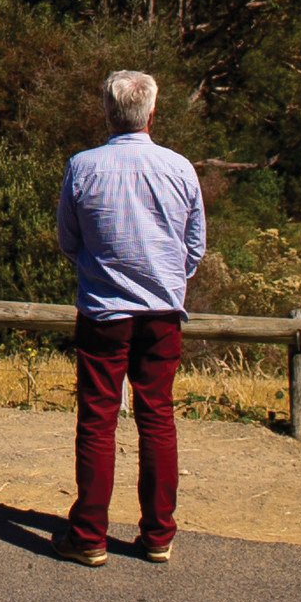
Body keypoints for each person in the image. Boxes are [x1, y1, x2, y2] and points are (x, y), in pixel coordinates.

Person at [53, 69, 205, 567]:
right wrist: (166, 277)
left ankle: (90, 533)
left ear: (107, 110)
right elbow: (194, 245)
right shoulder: (180, 168)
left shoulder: (83, 167)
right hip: (162, 310)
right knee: (157, 416)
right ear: (151, 112)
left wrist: (101, 272)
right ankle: (159, 532)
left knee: (98, 419)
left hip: (103, 310)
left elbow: (68, 240)